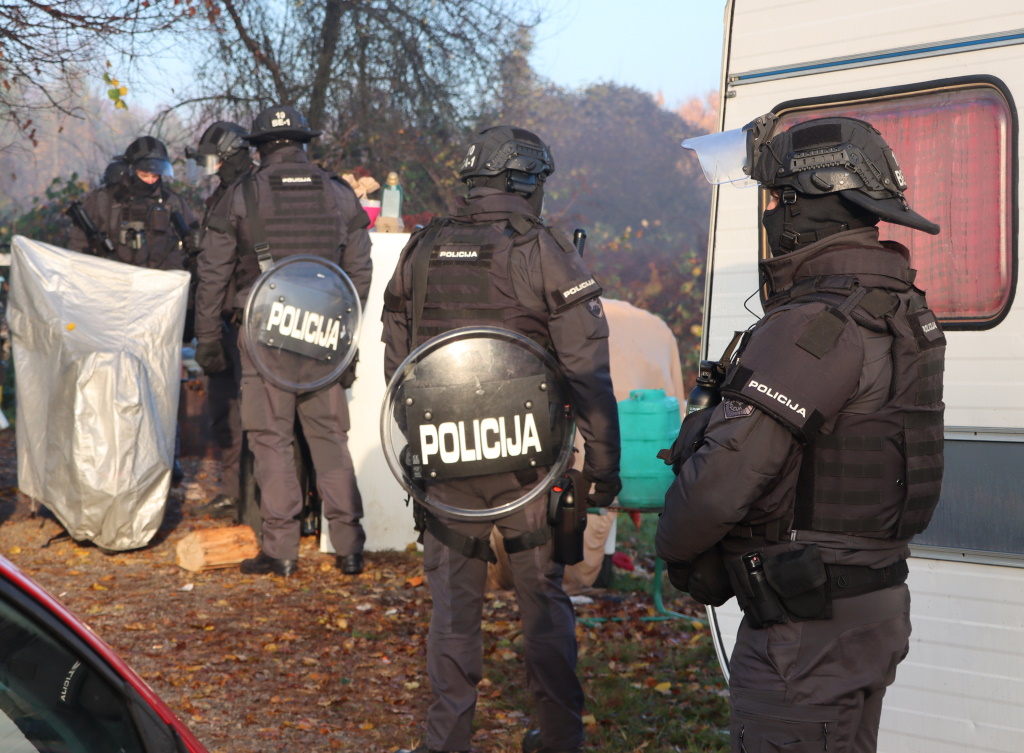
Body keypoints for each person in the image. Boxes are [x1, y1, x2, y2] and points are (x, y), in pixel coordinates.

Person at [656, 115, 945, 752]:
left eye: (775, 198)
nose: (769, 215)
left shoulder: (817, 322)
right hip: (867, 609)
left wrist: (673, 547)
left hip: (807, 633)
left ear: (802, 205)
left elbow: (720, 483)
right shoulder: (897, 305)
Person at [382, 126, 621, 753]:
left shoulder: (422, 246)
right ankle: (559, 740)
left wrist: (425, 435)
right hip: (529, 463)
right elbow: (588, 370)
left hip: (444, 461)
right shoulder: (543, 251)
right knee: (542, 604)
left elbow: (399, 360)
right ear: (527, 183)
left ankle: (446, 742)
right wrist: (604, 466)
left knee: (453, 614)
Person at [192, 104, 372, 577]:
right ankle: (350, 547)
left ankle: (281, 551)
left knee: (271, 440)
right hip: (325, 332)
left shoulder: (240, 194)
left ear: (259, 148)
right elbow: (359, 272)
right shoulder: (338, 193)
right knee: (330, 438)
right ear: (302, 144)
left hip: (263, 329)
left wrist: (208, 338)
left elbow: (213, 274)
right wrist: (345, 337)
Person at [69, 136, 199, 484]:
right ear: (130, 169)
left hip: (159, 312)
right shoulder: (103, 201)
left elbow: (194, 249)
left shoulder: (173, 204)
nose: (152, 177)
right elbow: (78, 254)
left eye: (157, 171)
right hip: (110, 310)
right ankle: (112, 460)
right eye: (145, 171)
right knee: (112, 388)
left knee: (162, 386)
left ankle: (166, 457)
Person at [186, 121, 252, 519]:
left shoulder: (253, 193)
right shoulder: (222, 195)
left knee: (251, 414)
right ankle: (231, 490)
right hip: (220, 317)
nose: (211, 169)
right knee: (222, 410)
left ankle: (251, 495)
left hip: (245, 316)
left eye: (215, 160)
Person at [69, 136, 197, 272]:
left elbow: (193, 239)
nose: (150, 181)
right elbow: (78, 244)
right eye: (144, 175)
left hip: (160, 284)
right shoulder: (105, 199)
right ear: (131, 170)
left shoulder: (172, 202)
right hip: (110, 281)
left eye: (155, 176)